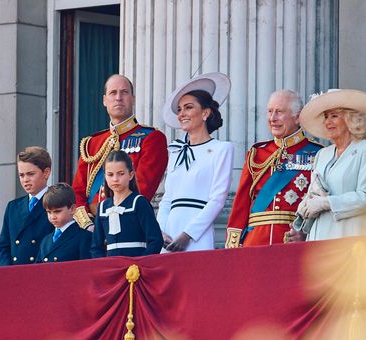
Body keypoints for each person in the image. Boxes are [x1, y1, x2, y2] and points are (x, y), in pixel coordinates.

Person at [224, 89, 323, 248]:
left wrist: (308, 233)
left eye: (279, 112)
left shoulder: (317, 153)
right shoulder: (257, 153)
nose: (272, 118)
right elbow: (241, 203)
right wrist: (233, 244)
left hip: (293, 241)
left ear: (297, 117)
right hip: (255, 241)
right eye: (270, 112)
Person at [287, 89, 366, 242]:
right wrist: (306, 204)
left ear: (351, 119)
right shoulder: (322, 154)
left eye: (334, 116)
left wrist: (326, 202)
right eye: (326, 117)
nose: (327, 122)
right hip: (319, 234)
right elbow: (315, 192)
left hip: (349, 234)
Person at [157, 73, 235, 252]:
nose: (181, 113)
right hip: (169, 233)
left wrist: (188, 234)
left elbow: (217, 200)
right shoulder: (175, 151)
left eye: (188, 107)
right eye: (179, 109)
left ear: (205, 113)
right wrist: (160, 231)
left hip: (197, 234)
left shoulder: (222, 149)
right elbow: (167, 198)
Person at [72, 74, 168, 215]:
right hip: (89, 227)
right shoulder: (92, 143)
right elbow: (77, 191)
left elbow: (142, 189)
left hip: (127, 221)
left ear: (133, 99)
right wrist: (86, 223)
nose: (118, 98)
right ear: (104, 100)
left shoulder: (152, 138)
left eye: (124, 92)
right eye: (113, 93)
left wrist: (104, 212)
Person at [90, 151, 163, 258]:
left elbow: (156, 240)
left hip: (136, 267)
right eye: (110, 175)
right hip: (111, 268)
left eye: (121, 173)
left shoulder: (139, 202)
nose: (115, 179)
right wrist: (104, 266)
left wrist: (140, 263)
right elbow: (96, 247)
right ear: (105, 176)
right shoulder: (102, 207)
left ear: (130, 175)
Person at [0, 146, 55, 265]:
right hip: (15, 275)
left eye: (30, 174)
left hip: (42, 273)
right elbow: (4, 247)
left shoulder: (56, 203)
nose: (25, 180)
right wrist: (8, 272)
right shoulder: (12, 207)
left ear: (46, 172)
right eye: (21, 175)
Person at [37, 183, 92, 263]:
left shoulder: (84, 237)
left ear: (72, 209)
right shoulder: (46, 240)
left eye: (57, 211)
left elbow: (86, 269)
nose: (53, 216)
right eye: (49, 212)